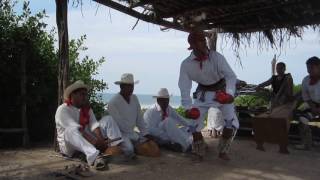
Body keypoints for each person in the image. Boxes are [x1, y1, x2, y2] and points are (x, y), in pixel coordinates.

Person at [178, 30, 239, 160]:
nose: (204, 45)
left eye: (204, 41)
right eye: (200, 42)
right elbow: (184, 87)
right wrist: (188, 108)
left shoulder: (217, 57)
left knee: (230, 123)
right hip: (203, 94)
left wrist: (229, 94)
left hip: (222, 92)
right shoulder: (186, 65)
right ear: (193, 45)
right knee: (193, 125)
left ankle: (223, 151)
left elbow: (231, 76)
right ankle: (199, 152)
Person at [55, 80, 123, 170]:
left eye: (85, 94)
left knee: (108, 119)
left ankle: (116, 148)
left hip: (85, 139)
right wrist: (95, 142)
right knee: (71, 130)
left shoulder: (86, 109)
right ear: (72, 95)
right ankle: (95, 156)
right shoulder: (63, 109)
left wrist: (101, 139)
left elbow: (94, 125)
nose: (85, 97)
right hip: (70, 147)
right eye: (82, 94)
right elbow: (78, 129)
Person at [108, 73, 157, 159]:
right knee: (129, 150)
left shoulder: (134, 98)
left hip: (131, 132)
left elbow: (139, 119)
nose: (131, 89)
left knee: (152, 141)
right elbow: (119, 125)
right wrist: (137, 137)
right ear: (121, 86)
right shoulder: (113, 102)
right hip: (119, 133)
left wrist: (145, 133)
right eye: (128, 86)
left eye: (132, 86)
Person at [144, 88, 194, 152]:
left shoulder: (168, 108)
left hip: (167, 132)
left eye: (167, 100)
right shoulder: (151, 112)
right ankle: (187, 146)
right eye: (164, 100)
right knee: (168, 121)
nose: (166, 102)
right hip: (156, 136)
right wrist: (168, 134)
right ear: (158, 100)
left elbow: (179, 118)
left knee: (187, 129)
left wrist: (192, 126)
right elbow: (150, 130)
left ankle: (190, 141)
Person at [295, 56, 320, 150]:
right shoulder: (306, 80)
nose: (309, 71)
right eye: (308, 68)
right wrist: (313, 108)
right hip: (314, 105)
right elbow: (306, 97)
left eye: (311, 68)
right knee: (302, 119)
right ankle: (307, 143)